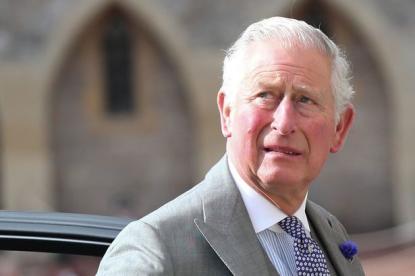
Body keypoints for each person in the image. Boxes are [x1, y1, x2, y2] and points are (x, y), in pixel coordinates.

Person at [96, 17, 365, 275]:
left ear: (339, 128)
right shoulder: (156, 248)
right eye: (265, 96)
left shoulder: (331, 235)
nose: (284, 124)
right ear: (227, 113)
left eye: (305, 100)